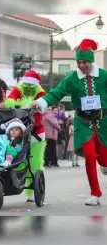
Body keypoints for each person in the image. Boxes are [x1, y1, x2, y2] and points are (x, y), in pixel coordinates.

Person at [32, 38, 107, 206]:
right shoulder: (73, 78)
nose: (81, 66)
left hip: (104, 122)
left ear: (91, 61)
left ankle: (104, 163)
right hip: (83, 122)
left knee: (104, 158)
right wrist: (41, 102)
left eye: (84, 62)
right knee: (89, 156)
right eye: (78, 62)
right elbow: (56, 92)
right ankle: (95, 193)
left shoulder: (104, 76)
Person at [4, 70, 46, 202]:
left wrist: (35, 104)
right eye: (26, 85)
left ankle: (32, 190)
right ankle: (17, 183)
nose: (28, 88)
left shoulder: (40, 93)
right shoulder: (18, 89)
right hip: (19, 131)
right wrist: (12, 104)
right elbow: (9, 100)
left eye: (30, 86)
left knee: (34, 162)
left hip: (36, 133)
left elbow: (44, 103)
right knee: (18, 159)